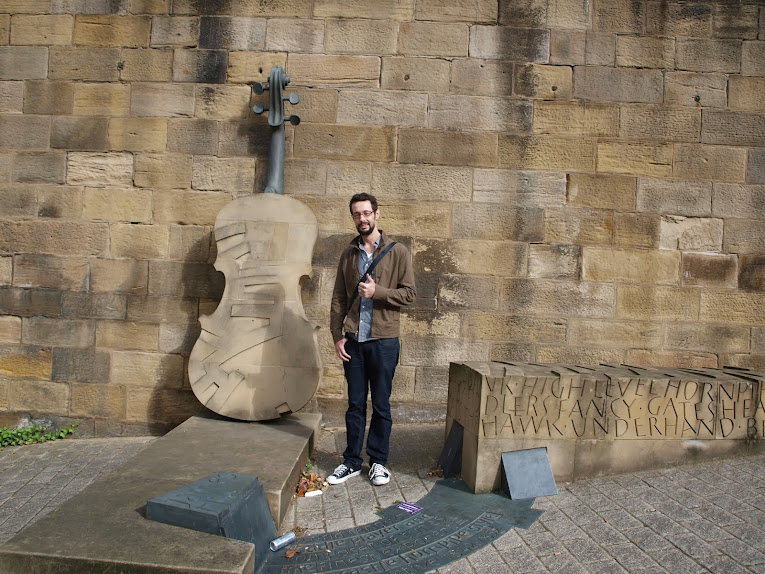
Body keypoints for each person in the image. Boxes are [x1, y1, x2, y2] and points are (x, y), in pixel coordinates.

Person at [327, 193, 416, 486]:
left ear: (377, 214)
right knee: (354, 404)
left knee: (380, 404)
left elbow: (410, 295)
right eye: (357, 214)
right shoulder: (348, 254)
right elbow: (339, 298)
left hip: (384, 342)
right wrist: (337, 336)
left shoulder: (398, 252)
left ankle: (378, 462)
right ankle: (352, 461)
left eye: (366, 213)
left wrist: (378, 292)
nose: (362, 218)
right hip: (354, 340)